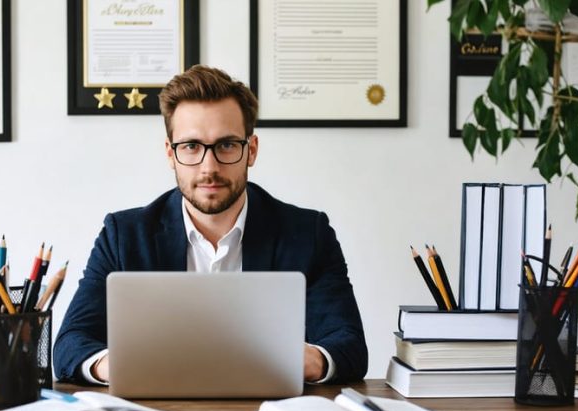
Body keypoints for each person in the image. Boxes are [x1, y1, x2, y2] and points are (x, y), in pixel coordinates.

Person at [53, 65, 368, 384]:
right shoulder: (123, 234)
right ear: (170, 154)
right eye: (191, 146)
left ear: (252, 150)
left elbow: (349, 347)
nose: (209, 166)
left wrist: (311, 359)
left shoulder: (308, 233)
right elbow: (70, 344)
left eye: (227, 145)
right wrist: (117, 365)